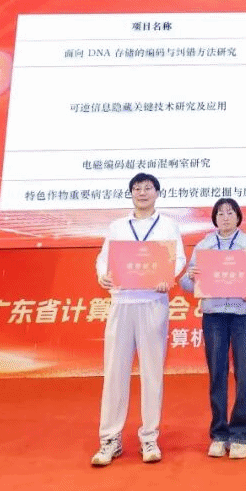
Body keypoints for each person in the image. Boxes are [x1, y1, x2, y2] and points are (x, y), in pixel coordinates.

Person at [91, 173, 186, 467]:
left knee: (152, 372)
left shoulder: (168, 225)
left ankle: (149, 437)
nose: (142, 192)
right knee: (114, 372)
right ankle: (110, 439)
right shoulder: (117, 226)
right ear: (131, 193)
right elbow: (103, 258)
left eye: (147, 188)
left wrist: (168, 276)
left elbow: (178, 258)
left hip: (152, 302)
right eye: (136, 188)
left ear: (157, 193)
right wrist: (103, 276)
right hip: (121, 302)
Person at [180, 198, 246, 460]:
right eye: (220, 213)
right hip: (214, 316)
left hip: (244, 315)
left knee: (245, 374)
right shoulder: (204, 246)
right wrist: (191, 277)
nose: (225, 217)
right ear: (214, 218)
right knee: (217, 375)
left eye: (230, 213)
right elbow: (186, 283)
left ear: (238, 217)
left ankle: (241, 434)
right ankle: (219, 434)